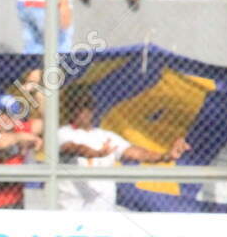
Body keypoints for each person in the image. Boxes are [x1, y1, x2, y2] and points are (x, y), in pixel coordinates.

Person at [56, 89, 189, 211]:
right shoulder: (62, 133)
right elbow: (73, 148)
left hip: (103, 214)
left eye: (88, 106)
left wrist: (167, 156)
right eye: (78, 106)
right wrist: (96, 154)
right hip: (71, 212)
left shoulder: (106, 136)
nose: (84, 111)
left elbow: (138, 154)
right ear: (70, 109)